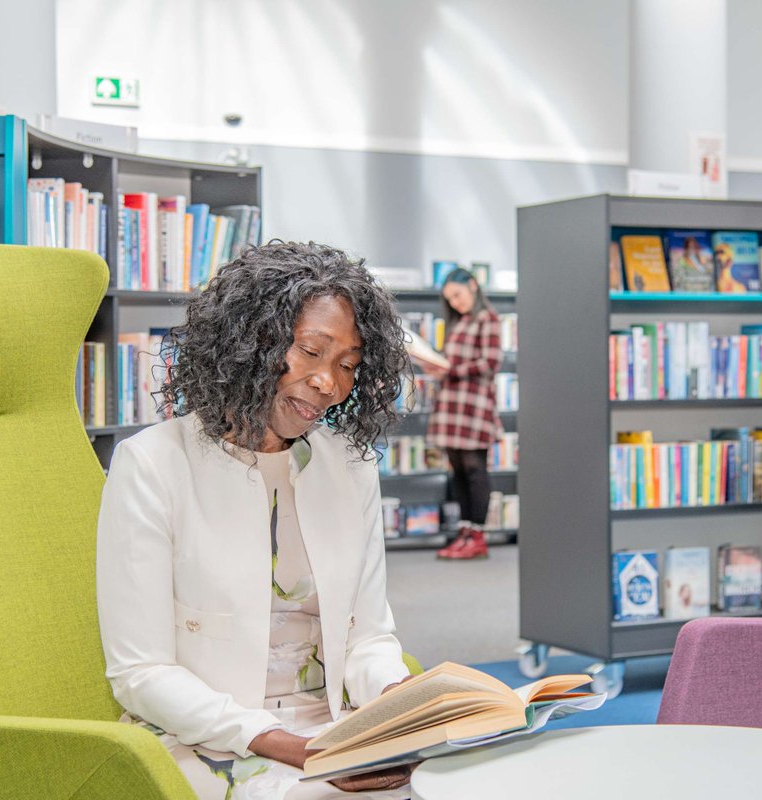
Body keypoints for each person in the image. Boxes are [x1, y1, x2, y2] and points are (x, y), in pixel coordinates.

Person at [97, 241, 418, 799]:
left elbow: (368, 637)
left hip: (334, 728)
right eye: (312, 352)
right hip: (207, 735)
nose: (329, 383)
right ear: (248, 342)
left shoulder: (349, 468)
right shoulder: (152, 464)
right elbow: (141, 674)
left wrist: (399, 701)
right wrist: (290, 747)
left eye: (348, 365)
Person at [422, 269, 503, 561]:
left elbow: (491, 362)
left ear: (472, 285)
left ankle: (478, 534)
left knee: (474, 468)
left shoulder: (488, 318)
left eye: (458, 295)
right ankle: (465, 531)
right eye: (450, 299)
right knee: (457, 469)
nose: (455, 303)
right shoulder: (459, 321)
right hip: (452, 402)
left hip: (474, 403)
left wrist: (449, 370)